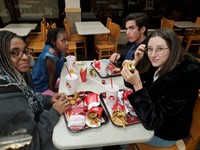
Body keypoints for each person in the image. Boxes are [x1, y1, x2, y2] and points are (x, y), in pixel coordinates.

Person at [121, 28, 200, 147]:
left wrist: (138, 85)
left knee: (121, 133)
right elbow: (129, 83)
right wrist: (136, 61)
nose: (153, 55)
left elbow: (152, 122)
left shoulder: (184, 77)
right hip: (149, 116)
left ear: (173, 49)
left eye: (160, 49)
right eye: (150, 49)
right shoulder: (160, 62)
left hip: (165, 133)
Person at [0, 30, 70, 149]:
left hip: (40, 123)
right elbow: (28, 145)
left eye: (25, 51)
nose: (25, 57)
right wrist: (54, 113)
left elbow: (30, 98)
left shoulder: (20, 77)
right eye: (15, 52)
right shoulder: (7, 103)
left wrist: (49, 100)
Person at [32, 28, 69, 96]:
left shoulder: (60, 50)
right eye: (63, 41)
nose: (67, 43)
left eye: (67, 40)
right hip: (42, 87)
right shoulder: (51, 53)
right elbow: (51, 76)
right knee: (64, 96)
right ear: (53, 42)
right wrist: (53, 94)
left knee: (69, 84)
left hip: (52, 80)